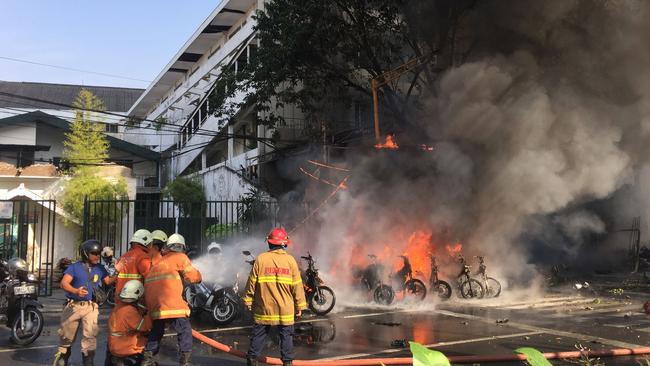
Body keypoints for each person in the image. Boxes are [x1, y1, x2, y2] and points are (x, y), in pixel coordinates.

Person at [243, 228, 307, 366]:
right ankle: (287, 363)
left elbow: (251, 283)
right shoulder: (290, 261)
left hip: (264, 308)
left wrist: (247, 300)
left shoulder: (261, 259)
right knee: (286, 337)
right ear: (285, 244)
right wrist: (300, 306)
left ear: (269, 243)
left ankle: (252, 360)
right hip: (285, 310)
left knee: (258, 335)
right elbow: (297, 286)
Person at [141, 233, 202, 366]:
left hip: (155, 305)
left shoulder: (159, 263)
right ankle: (185, 361)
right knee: (184, 329)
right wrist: (199, 277)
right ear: (181, 247)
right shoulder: (180, 257)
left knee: (156, 330)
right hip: (171, 304)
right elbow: (192, 276)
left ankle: (147, 358)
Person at [53, 239, 114, 366]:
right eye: (94, 253)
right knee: (66, 337)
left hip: (91, 307)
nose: (97, 256)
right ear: (86, 253)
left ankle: (88, 362)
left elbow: (108, 281)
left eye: (98, 253)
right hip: (73, 306)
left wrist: (118, 270)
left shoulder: (100, 268)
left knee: (90, 336)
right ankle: (62, 358)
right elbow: (64, 283)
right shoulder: (74, 267)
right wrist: (76, 291)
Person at [107, 280, 152, 366]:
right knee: (151, 345)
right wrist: (151, 313)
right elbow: (145, 326)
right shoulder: (129, 311)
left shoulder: (119, 307)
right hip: (125, 347)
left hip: (114, 346)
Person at [113, 229, 152, 306]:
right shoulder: (142, 257)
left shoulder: (123, 257)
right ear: (145, 242)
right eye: (150, 243)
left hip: (120, 296)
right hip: (135, 299)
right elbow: (150, 277)